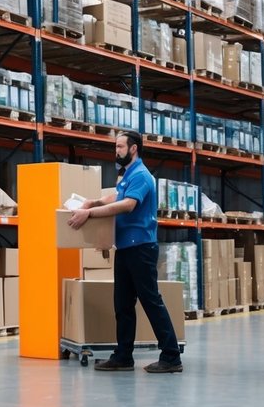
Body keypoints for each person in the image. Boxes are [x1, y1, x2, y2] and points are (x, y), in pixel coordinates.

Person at [68, 131, 183, 373]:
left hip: (141, 247)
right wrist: (92, 201)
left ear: (133, 149)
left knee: (151, 301)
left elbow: (128, 204)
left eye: (120, 146)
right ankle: (123, 356)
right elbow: (117, 195)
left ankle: (171, 356)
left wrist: (89, 213)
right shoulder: (127, 174)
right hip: (126, 247)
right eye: (116, 146)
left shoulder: (141, 175)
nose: (116, 150)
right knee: (122, 304)